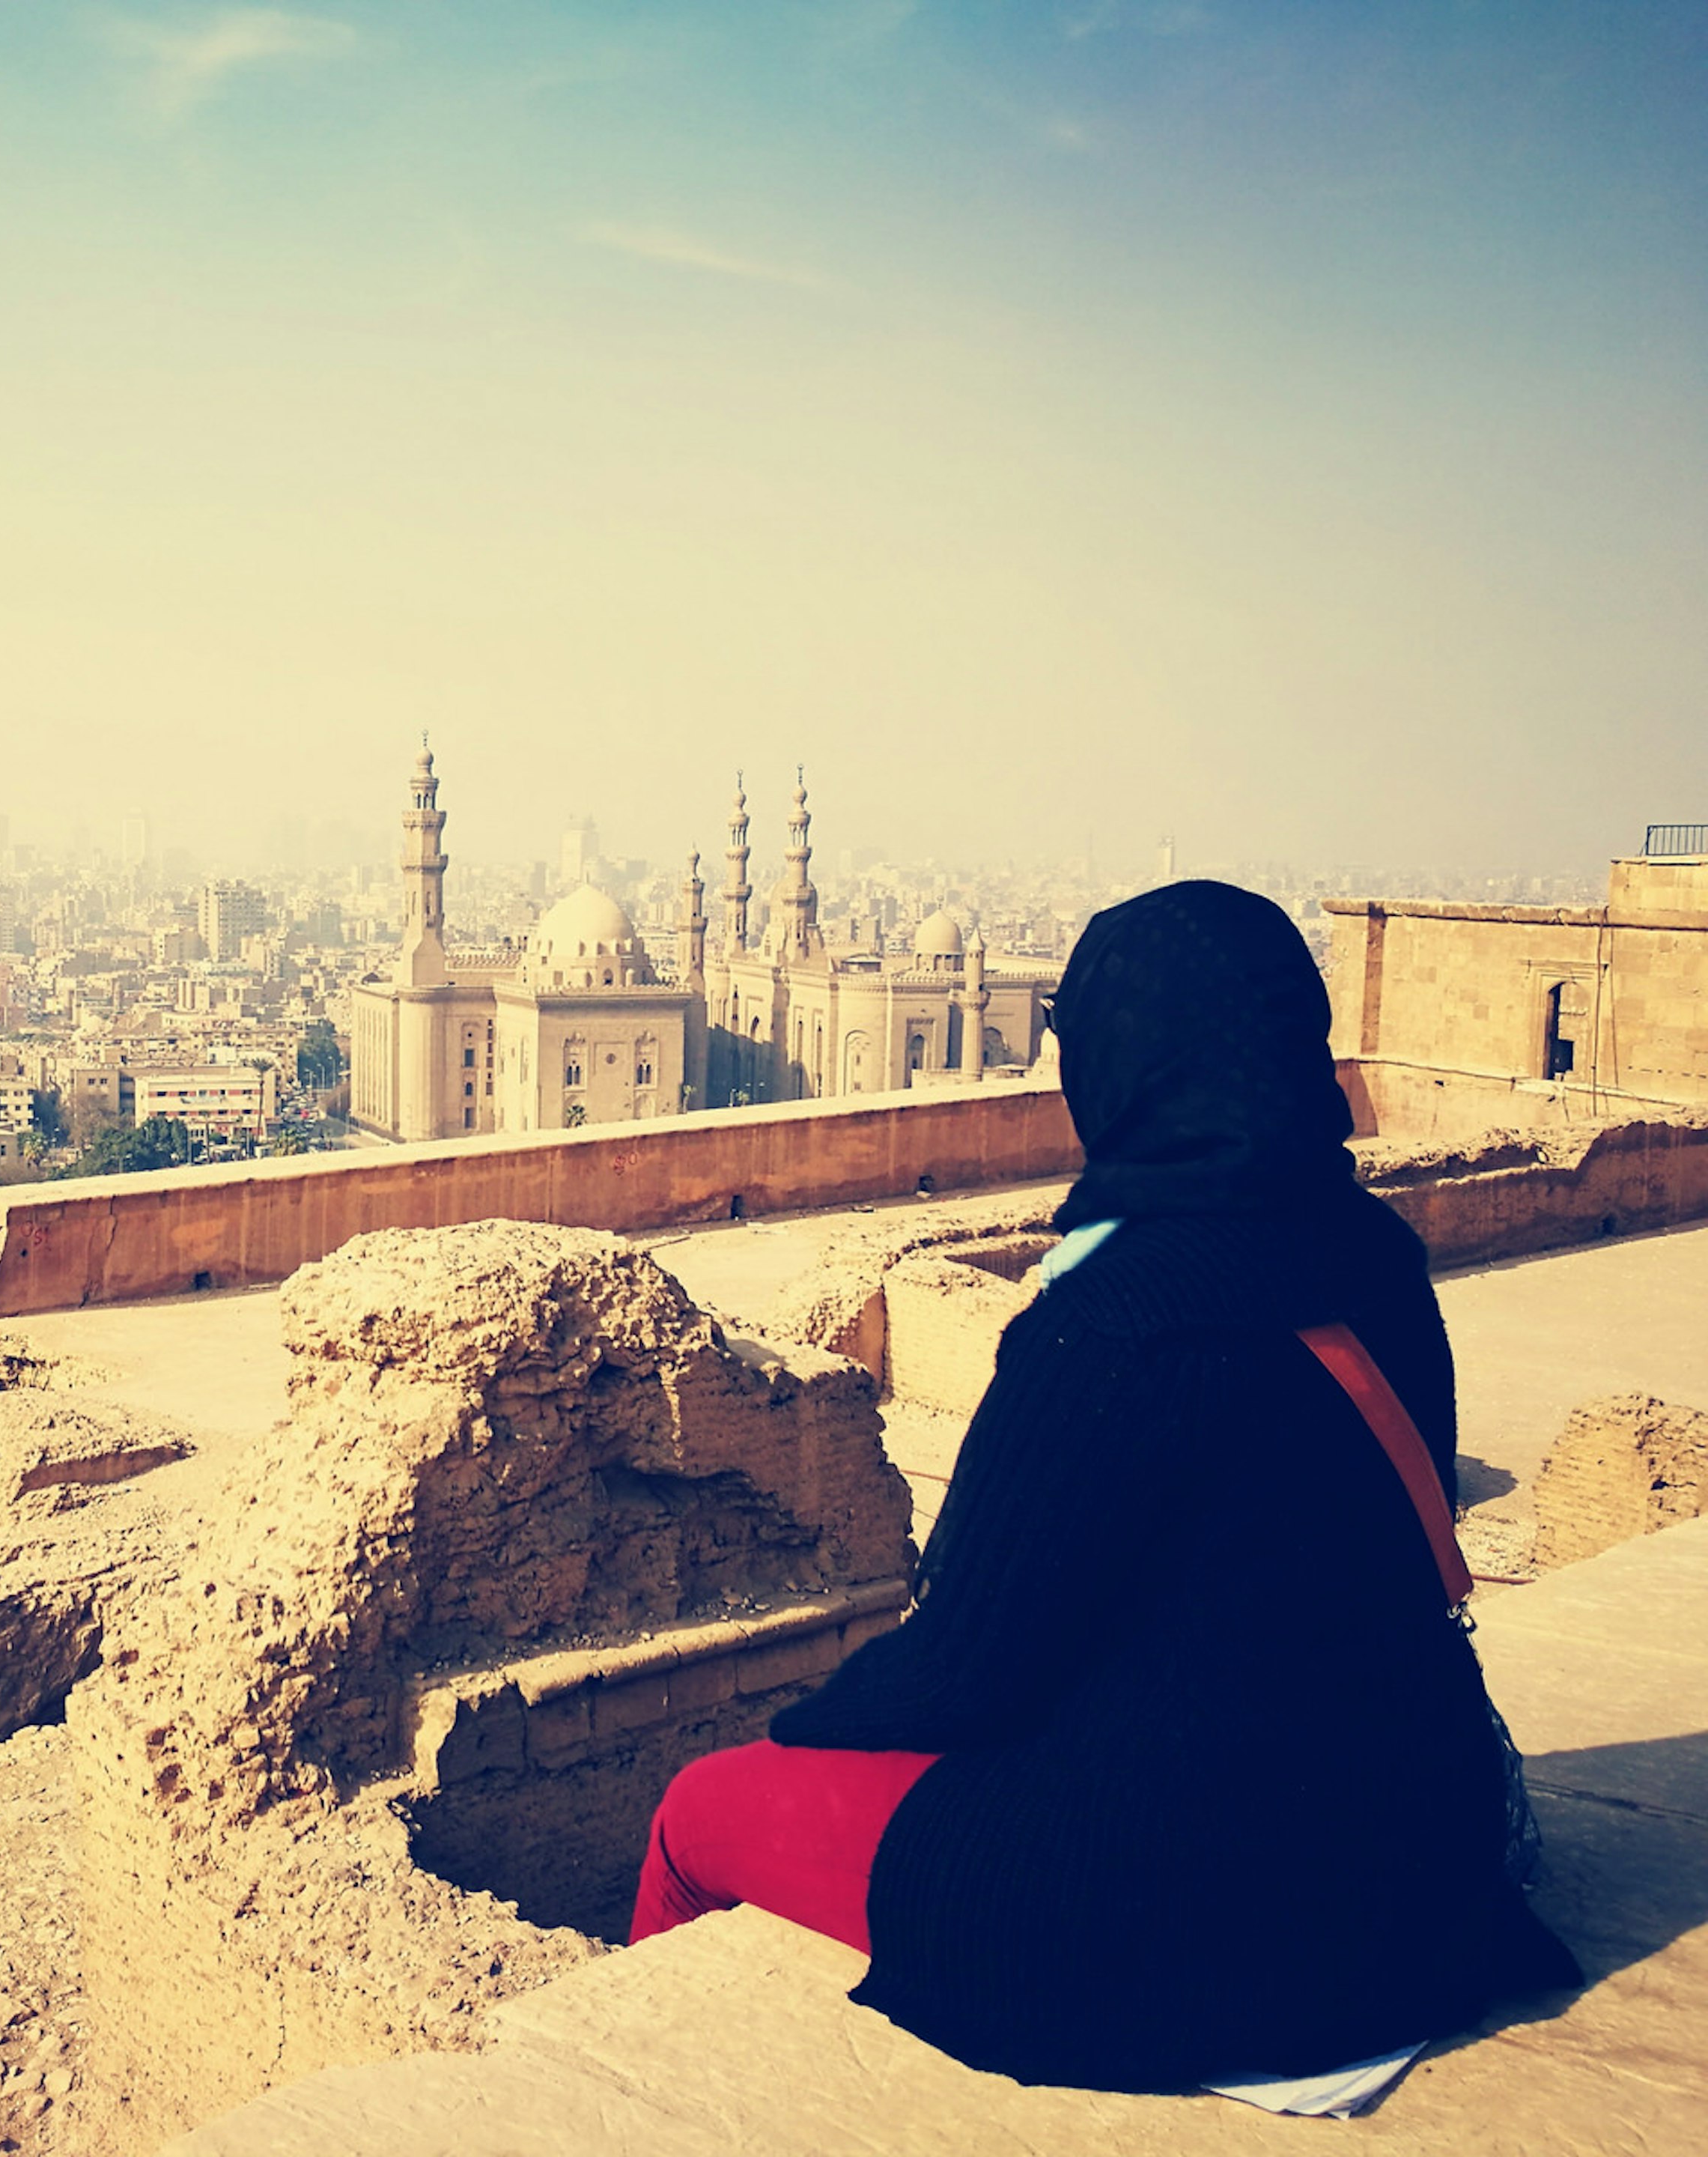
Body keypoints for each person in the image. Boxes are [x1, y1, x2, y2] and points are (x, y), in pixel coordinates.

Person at [630, 879, 1579, 2091]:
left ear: (1123, 1069)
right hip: (1413, 1878)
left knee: (703, 1811)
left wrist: (802, 1726)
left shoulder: (1113, 1326)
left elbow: (966, 1666)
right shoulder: (1381, 1258)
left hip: (1188, 1928)